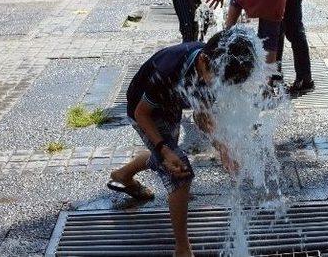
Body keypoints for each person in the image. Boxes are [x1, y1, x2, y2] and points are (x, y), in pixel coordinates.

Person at [107, 28, 257, 257]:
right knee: (180, 173)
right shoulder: (167, 70)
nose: (220, 86)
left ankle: (122, 175)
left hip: (170, 105)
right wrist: (163, 148)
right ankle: (182, 249)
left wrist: (223, 149)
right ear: (204, 61)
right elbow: (142, 114)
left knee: (167, 160)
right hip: (144, 109)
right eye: (219, 80)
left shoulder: (216, 66)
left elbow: (202, 116)